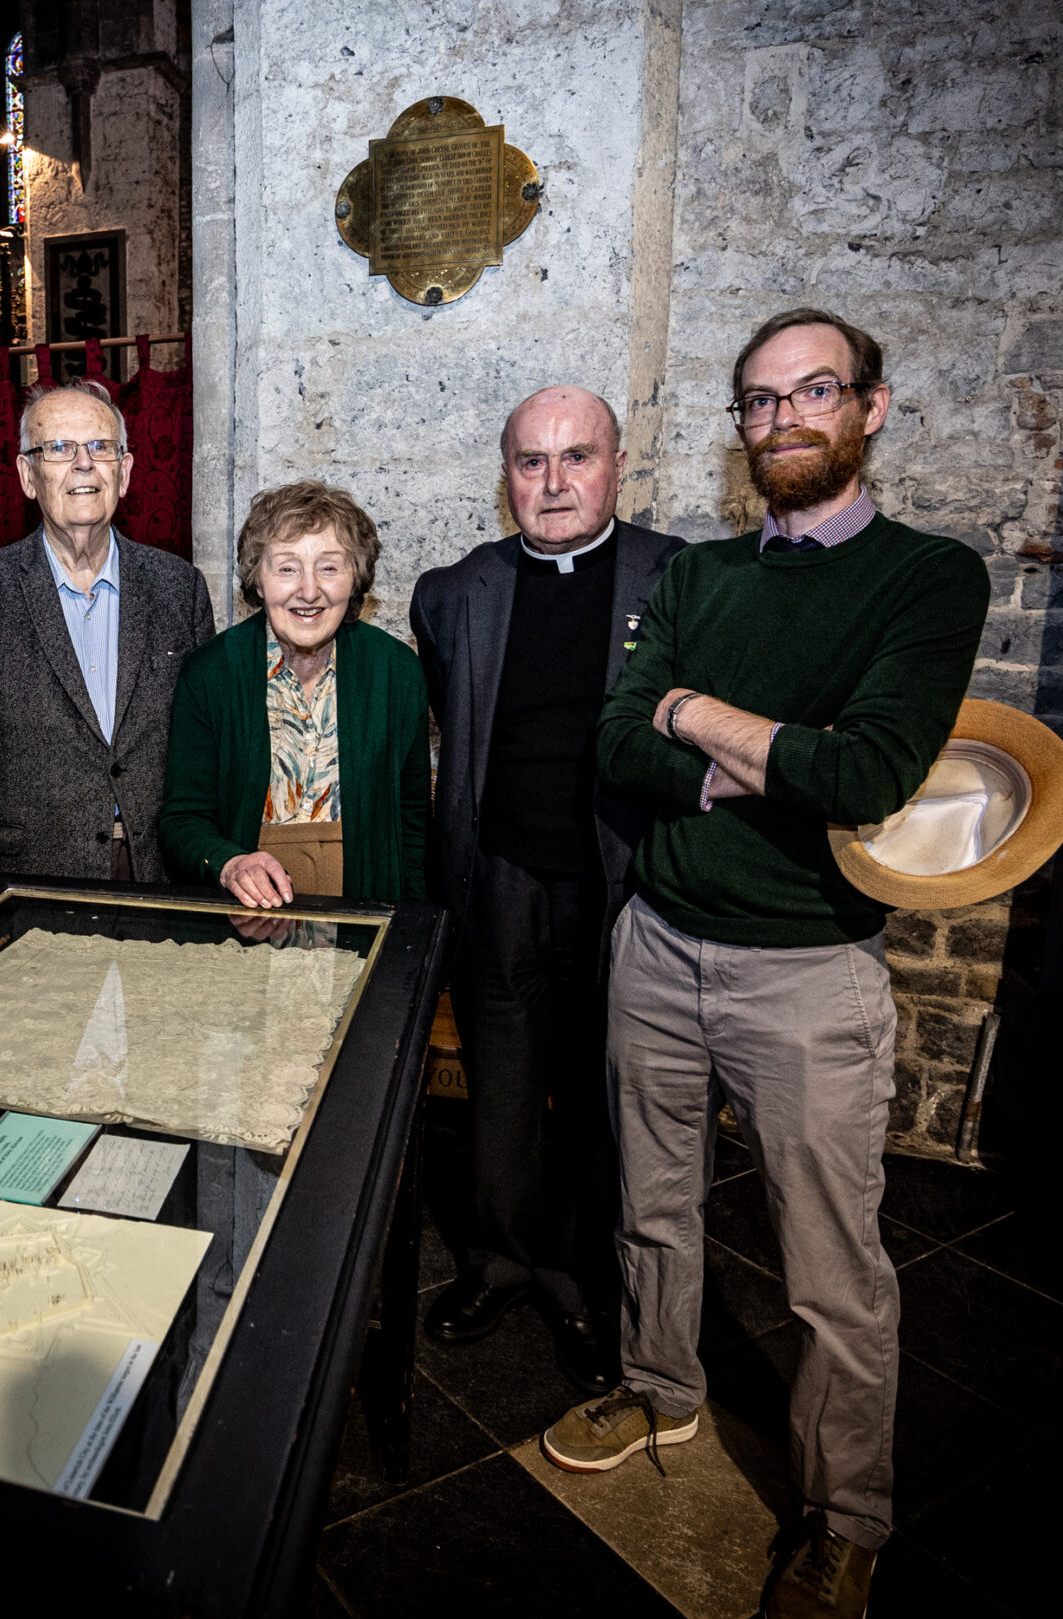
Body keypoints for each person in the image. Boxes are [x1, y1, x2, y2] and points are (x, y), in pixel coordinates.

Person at [538, 310, 991, 1619]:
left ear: (872, 408)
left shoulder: (928, 578)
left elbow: (866, 773)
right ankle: (660, 1383)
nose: (785, 417)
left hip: (808, 971)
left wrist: (697, 712)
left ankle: (847, 1513)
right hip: (659, 942)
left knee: (830, 1266)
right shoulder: (698, 579)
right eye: (759, 399)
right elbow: (621, 742)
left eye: (815, 391)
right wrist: (742, 742)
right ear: (741, 423)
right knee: (653, 1200)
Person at [408, 386, 684, 1385]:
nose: (554, 482)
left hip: (626, 885)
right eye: (531, 461)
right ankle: (499, 1260)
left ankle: (585, 1277)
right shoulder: (452, 592)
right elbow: (456, 720)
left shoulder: (679, 577)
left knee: (609, 1089)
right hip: (501, 879)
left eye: (577, 457)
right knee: (504, 1082)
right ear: (506, 475)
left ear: (616, 464)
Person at [0, 379, 216, 882]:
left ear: (127, 471)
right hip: (27, 878)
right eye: (58, 449)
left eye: (100, 447)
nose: (84, 464)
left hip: (159, 872)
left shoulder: (180, 588)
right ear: (27, 476)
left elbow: (206, 754)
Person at [160, 481, 429, 904]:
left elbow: (413, 824)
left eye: (329, 567)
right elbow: (182, 820)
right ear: (258, 579)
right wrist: (229, 864)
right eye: (287, 568)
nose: (308, 591)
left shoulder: (396, 671)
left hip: (365, 914)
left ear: (355, 577)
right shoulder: (211, 673)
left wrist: (409, 926)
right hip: (244, 919)